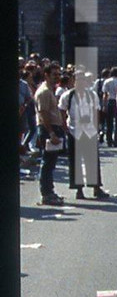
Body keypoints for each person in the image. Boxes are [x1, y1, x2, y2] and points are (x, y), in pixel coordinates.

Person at [66, 70, 111, 200]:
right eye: (77, 79)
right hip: (74, 131)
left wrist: (97, 128)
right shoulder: (68, 96)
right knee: (75, 162)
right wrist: (65, 127)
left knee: (92, 160)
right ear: (73, 81)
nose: (80, 82)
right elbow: (62, 111)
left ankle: (96, 187)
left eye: (82, 79)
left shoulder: (92, 95)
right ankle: (79, 190)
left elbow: (96, 112)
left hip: (90, 131)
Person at [34, 62, 65, 206]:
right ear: (46, 75)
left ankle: (49, 191)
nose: (57, 77)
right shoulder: (44, 92)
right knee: (47, 163)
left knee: (51, 163)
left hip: (54, 127)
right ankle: (46, 194)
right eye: (54, 75)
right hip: (48, 129)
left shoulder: (51, 90)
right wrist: (51, 133)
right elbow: (43, 114)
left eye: (59, 74)